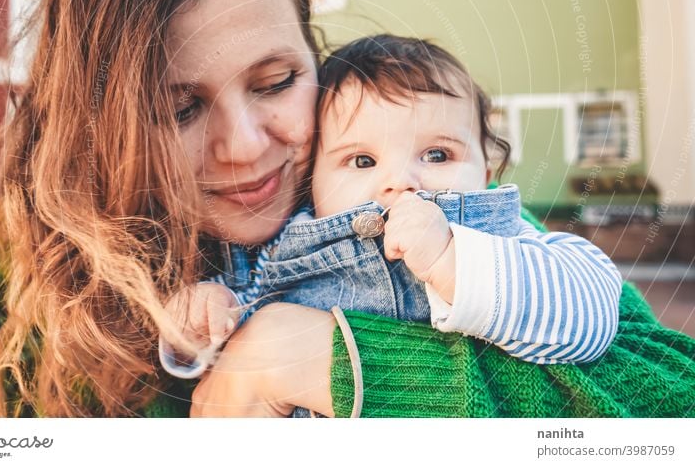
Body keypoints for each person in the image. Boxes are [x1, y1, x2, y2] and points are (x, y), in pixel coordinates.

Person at [0, 0, 695, 419]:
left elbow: (671, 397)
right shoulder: (81, 318)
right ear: (104, 126)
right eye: (180, 109)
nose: (247, 145)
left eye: (277, 82)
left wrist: (323, 360)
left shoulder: (437, 215)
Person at [162, 35, 622, 383]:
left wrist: (452, 260)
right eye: (361, 161)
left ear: (486, 173)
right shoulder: (280, 251)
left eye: (438, 155)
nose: (400, 181)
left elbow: (592, 319)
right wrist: (203, 317)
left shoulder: (503, 239)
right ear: (313, 183)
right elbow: (227, 369)